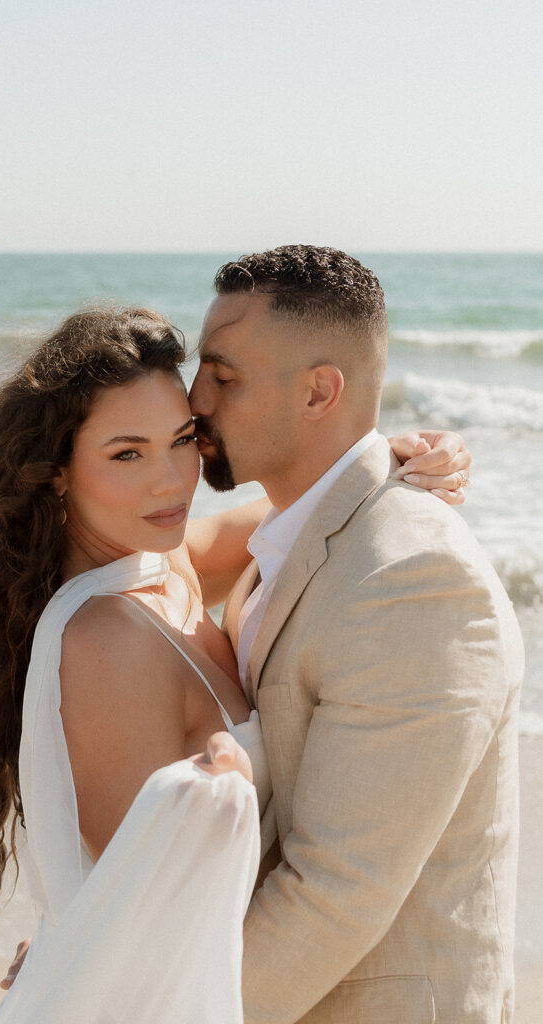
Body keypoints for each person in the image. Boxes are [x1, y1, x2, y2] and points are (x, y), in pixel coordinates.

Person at [0, 303, 469, 1021]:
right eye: (126, 453)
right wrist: (70, 958)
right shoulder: (103, 644)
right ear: (57, 473)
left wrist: (398, 456)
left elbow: (298, 516)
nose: (171, 482)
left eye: (182, 439)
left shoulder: (160, 566)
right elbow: (153, 914)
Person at [187, 245, 523, 1023]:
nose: (192, 398)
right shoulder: (287, 537)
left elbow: (336, 894)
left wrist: (164, 1006)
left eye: (222, 374)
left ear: (318, 391)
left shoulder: (412, 580)